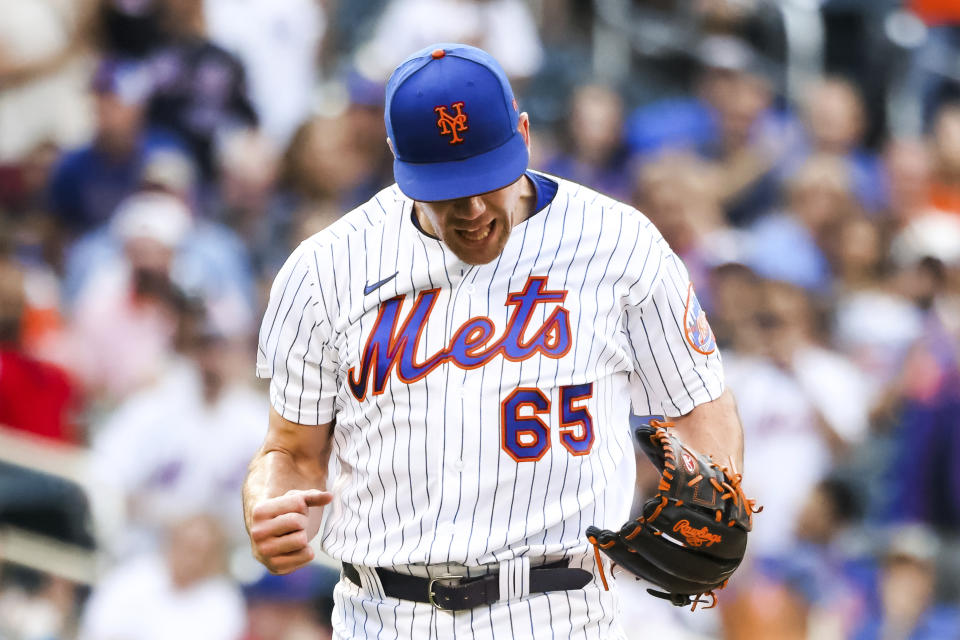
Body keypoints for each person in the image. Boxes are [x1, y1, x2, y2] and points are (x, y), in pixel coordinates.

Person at [244, 43, 745, 639]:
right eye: (449, 188)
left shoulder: (619, 244)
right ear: (398, 160)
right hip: (384, 613)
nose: (475, 208)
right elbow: (292, 451)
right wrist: (269, 503)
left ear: (524, 135)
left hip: (561, 610)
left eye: (489, 178)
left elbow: (697, 404)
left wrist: (715, 488)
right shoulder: (326, 268)